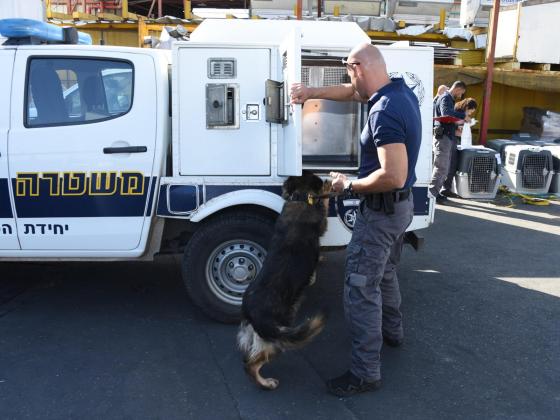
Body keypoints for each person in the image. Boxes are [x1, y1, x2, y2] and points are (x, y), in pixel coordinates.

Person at [290, 43, 421, 397]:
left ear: (357, 67)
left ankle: (365, 373)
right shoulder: (398, 92)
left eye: (349, 71)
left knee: (361, 286)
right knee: (386, 273)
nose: (350, 81)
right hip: (399, 209)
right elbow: (352, 93)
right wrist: (310, 92)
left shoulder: (383, 112)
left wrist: (347, 184)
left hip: (380, 211)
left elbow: (393, 174)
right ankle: (393, 333)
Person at [430, 80, 467, 204]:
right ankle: (432, 194)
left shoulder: (447, 98)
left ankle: (435, 192)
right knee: (441, 167)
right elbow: (446, 114)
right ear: (457, 89)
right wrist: (462, 116)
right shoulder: (446, 98)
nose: (461, 96)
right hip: (443, 137)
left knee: (443, 168)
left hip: (445, 136)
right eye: (461, 93)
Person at [441, 97, 478, 197]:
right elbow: (456, 129)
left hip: (453, 139)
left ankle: (447, 188)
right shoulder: (458, 112)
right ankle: (445, 188)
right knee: (451, 164)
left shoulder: (457, 110)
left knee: (452, 164)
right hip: (450, 138)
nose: (470, 114)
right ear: (466, 107)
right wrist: (463, 125)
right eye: (470, 111)